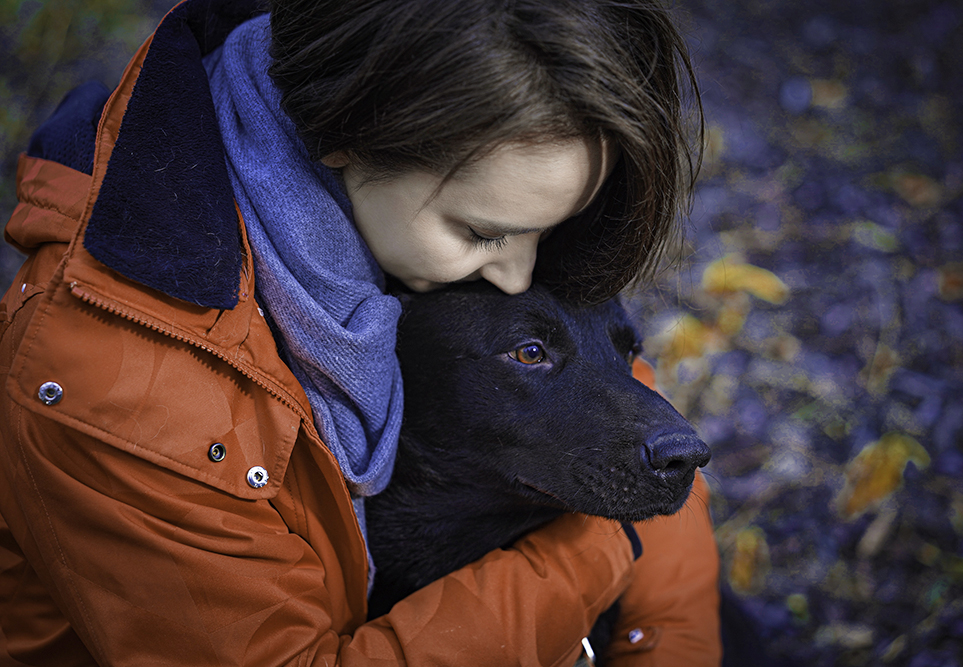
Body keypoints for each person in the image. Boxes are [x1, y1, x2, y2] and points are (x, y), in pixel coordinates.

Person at [0, 0, 721, 664]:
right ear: (345, 139)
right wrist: (599, 547)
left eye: (549, 231)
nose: (517, 273)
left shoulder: (445, 186)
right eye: (483, 233)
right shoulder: (117, 377)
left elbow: (621, 394)